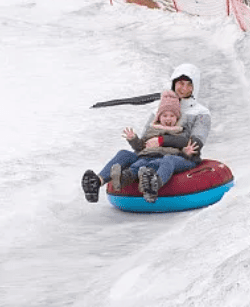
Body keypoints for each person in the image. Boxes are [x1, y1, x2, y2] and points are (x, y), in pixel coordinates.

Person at [82, 63, 212, 203]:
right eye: (180, 83)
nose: (184, 88)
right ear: (174, 83)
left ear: (195, 87)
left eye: (189, 85)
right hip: (151, 155)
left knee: (164, 160)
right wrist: (134, 140)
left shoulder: (200, 113)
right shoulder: (158, 111)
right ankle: (97, 181)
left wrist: (162, 140)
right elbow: (145, 142)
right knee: (125, 154)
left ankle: (152, 183)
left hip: (181, 156)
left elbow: (195, 143)